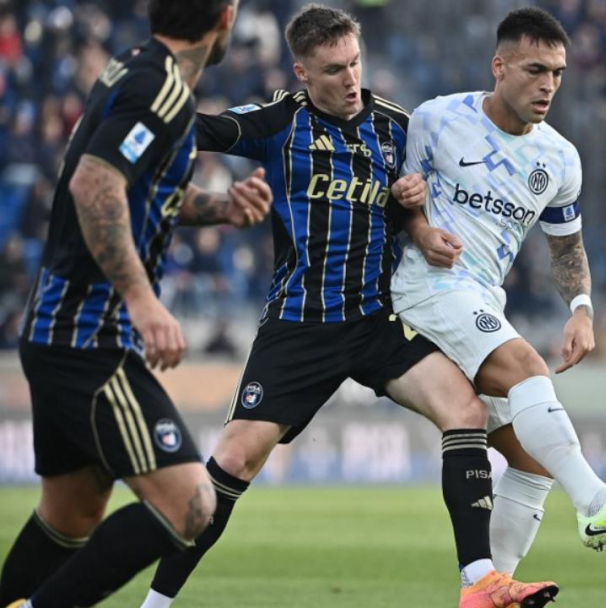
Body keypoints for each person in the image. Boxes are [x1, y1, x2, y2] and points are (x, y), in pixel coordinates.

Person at [139, 6, 557, 608]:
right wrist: (141, 109)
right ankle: (155, 605)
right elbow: (204, 130)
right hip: (300, 324)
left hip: (377, 320)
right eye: (334, 70)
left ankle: (479, 582)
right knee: (234, 460)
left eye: (355, 63)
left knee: (463, 409)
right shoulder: (280, 122)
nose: (350, 79)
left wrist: (415, 211)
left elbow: (431, 199)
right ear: (303, 73)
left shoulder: (397, 126)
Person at [392, 6, 606, 567]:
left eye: (557, 72)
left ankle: (492, 589)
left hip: (482, 297)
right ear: (499, 66)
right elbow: (398, 195)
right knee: (528, 367)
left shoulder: (559, 158)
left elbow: (566, 248)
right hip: (425, 287)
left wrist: (581, 309)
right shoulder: (436, 119)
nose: (548, 84)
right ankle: (597, 502)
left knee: (532, 463)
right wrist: (422, 229)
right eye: (535, 70)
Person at [0, 1, 275, 606]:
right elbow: (94, 184)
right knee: (191, 504)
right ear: (226, 16)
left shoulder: (131, 68)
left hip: (58, 328)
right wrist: (143, 301)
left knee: (72, 513)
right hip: (89, 336)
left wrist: (221, 207)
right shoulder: (161, 90)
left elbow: (136, 185)